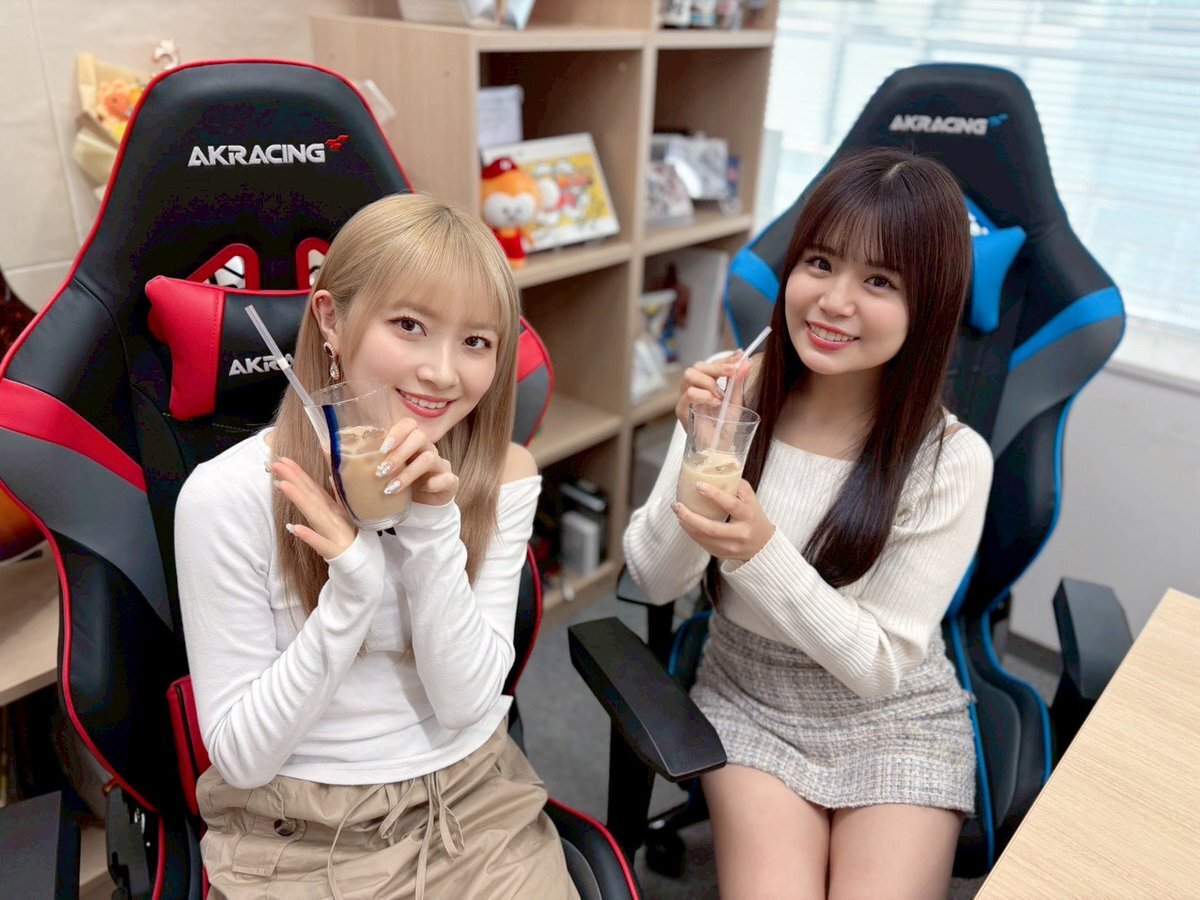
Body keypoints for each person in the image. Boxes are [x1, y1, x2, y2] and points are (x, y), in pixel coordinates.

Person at [176, 193, 578, 899]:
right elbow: (241, 758)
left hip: (474, 802)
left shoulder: (503, 475)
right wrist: (351, 592)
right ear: (331, 320)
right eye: (410, 326)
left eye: (476, 342)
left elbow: (464, 704)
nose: (443, 373)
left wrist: (432, 527)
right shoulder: (227, 496)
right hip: (303, 831)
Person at [624, 147, 993, 898]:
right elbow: (656, 581)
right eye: (820, 263)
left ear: (929, 307)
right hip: (750, 694)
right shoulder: (734, 397)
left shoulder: (951, 460)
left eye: (880, 281)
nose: (833, 301)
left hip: (893, 714)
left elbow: (878, 667)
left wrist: (761, 551)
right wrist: (701, 443)